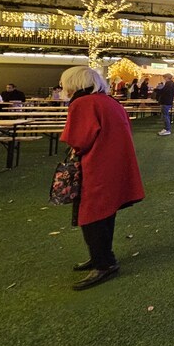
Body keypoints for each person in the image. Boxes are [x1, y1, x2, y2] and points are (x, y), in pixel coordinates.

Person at [59, 66, 144, 290]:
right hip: (115, 164)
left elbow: (79, 139)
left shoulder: (83, 103)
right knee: (105, 214)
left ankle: (104, 262)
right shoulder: (109, 101)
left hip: (96, 166)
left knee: (91, 215)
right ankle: (101, 256)